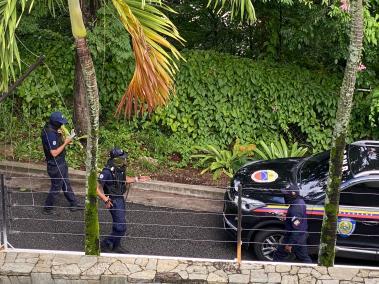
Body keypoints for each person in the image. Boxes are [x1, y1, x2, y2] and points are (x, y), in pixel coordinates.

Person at [97, 147, 150, 253]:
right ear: (114, 159)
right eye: (121, 158)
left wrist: (137, 179)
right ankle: (105, 244)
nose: (124, 160)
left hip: (120, 198)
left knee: (120, 225)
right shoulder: (107, 171)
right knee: (121, 227)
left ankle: (116, 245)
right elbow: (96, 188)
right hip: (113, 200)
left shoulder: (120, 168)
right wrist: (105, 199)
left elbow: (124, 179)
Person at [41, 111, 81, 214]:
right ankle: (47, 208)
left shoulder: (53, 129)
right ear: (55, 123)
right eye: (60, 122)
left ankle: (74, 203)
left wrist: (64, 137)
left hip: (60, 162)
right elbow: (54, 153)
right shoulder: (50, 134)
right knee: (56, 186)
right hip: (55, 164)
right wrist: (66, 143)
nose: (62, 124)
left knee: (65, 182)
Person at [273, 186, 312, 263]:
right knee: (304, 257)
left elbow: (296, 228)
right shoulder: (299, 201)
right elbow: (297, 220)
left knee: (278, 255)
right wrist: (287, 217)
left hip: (295, 237)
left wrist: (289, 244)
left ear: (293, 194)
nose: (285, 196)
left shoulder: (296, 208)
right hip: (300, 236)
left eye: (286, 194)